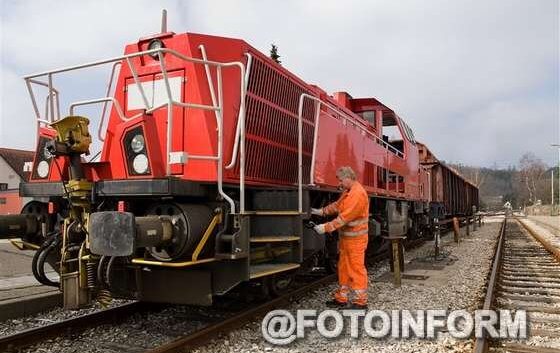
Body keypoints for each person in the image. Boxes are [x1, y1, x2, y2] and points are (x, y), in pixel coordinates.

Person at [311, 166, 370, 309]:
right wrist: (321, 212)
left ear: (348, 178)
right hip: (347, 240)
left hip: (356, 241)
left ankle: (360, 302)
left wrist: (325, 227)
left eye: (341, 180)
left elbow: (344, 218)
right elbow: (337, 206)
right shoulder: (348, 192)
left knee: (356, 269)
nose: (339, 184)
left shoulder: (357, 194)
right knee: (343, 269)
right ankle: (341, 298)